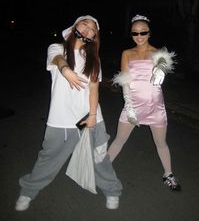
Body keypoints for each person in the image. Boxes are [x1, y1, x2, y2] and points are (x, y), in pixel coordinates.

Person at [15, 15, 123, 211]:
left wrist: (92, 116)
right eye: (85, 24)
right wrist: (66, 69)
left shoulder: (93, 58)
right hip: (62, 119)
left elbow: (93, 89)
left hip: (89, 117)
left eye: (93, 29)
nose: (88, 29)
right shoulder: (57, 48)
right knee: (48, 158)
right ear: (75, 26)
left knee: (99, 157)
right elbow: (57, 60)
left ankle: (112, 190)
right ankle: (28, 191)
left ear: (94, 36)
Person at [108, 14, 181, 191]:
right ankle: (101, 169)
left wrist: (162, 68)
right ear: (131, 34)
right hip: (133, 105)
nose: (139, 36)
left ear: (149, 33)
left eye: (143, 32)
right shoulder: (127, 53)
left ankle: (168, 174)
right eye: (135, 33)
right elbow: (125, 80)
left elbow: (164, 62)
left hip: (155, 107)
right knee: (119, 140)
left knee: (161, 143)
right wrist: (129, 106)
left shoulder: (158, 53)